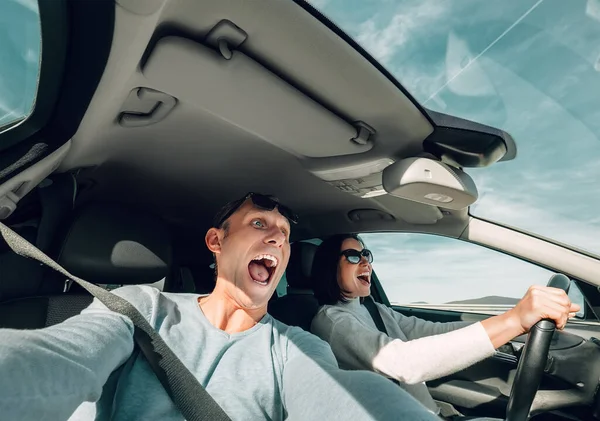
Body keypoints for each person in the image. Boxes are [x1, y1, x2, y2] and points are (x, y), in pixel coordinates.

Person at [0, 193, 449, 421]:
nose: (277, 238)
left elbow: (346, 396)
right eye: (259, 224)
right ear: (216, 242)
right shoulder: (141, 308)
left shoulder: (294, 345)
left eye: (284, 235)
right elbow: (59, 357)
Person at [310, 234, 579, 415]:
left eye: (366, 254)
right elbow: (404, 363)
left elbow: (429, 331)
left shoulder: (374, 308)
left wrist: (508, 322)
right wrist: (514, 321)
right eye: (353, 256)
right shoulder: (332, 321)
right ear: (329, 267)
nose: (365, 261)